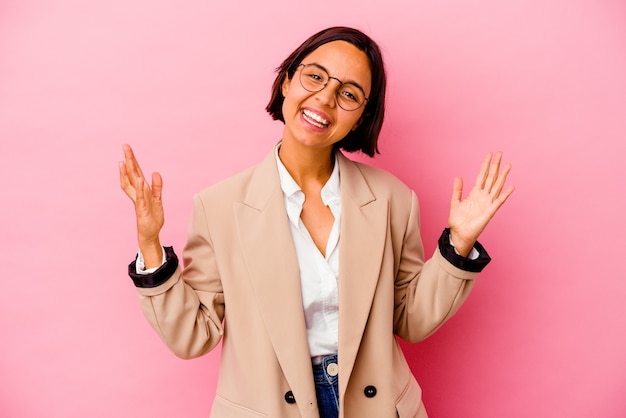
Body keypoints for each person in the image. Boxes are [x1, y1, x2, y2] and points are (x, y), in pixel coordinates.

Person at [119, 26, 514, 418]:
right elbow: (192, 336)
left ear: (360, 117)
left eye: (348, 94)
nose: (324, 97)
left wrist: (458, 245)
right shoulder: (220, 206)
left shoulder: (393, 199)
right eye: (315, 76)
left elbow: (409, 318)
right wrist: (151, 244)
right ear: (288, 80)